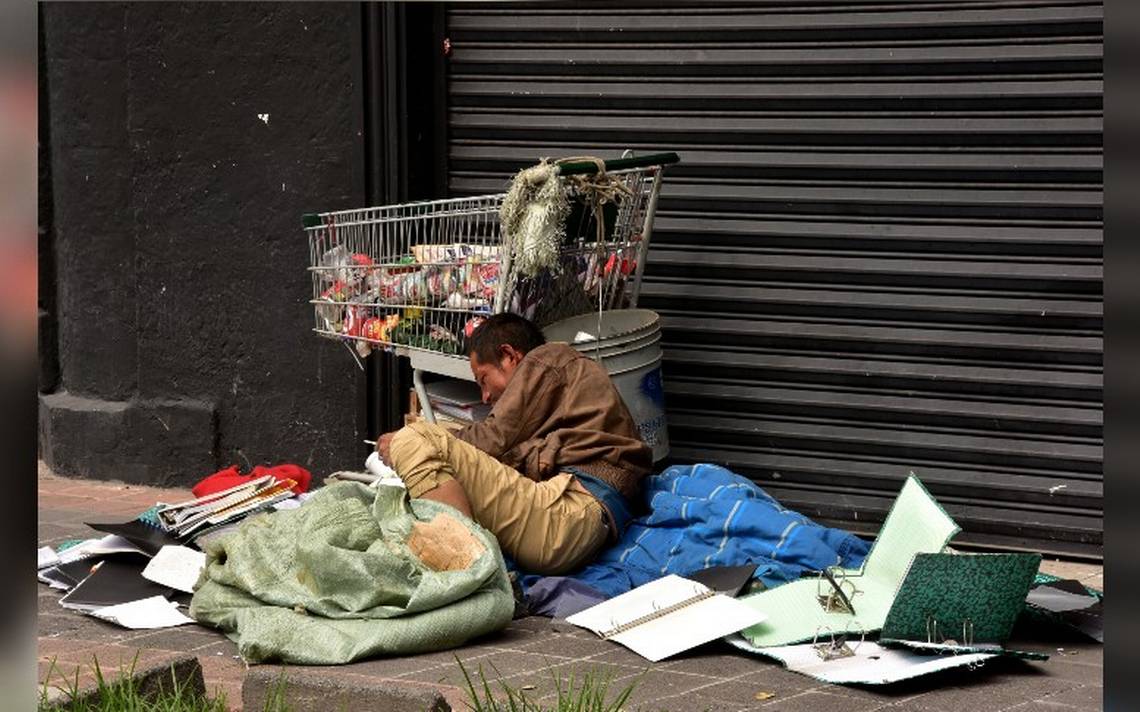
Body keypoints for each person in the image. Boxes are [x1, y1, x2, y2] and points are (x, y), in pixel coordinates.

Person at [375, 312, 652, 575]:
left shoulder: (546, 359)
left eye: (483, 380)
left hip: (574, 515)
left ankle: (472, 578)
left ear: (509, 355)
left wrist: (403, 441)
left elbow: (492, 440)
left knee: (416, 439)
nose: (484, 396)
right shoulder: (560, 386)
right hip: (583, 517)